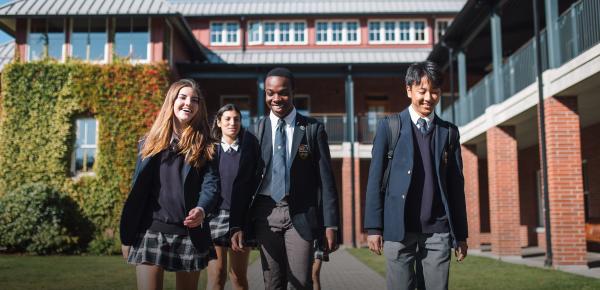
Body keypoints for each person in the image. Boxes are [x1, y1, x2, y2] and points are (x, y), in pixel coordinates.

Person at [230, 67, 340, 290]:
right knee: (273, 283)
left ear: (293, 92)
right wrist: (236, 224)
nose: (276, 98)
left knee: (300, 282)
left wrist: (331, 224)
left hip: (300, 213)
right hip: (265, 215)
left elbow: (326, 181)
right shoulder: (254, 132)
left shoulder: (312, 129)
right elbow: (242, 183)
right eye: (270, 93)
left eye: (282, 92)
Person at [364, 61, 468, 290]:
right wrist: (373, 228)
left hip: (438, 231)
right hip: (397, 229)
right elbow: (374, 180)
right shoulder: (388, 127)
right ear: (409, 89)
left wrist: (460, 234)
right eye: (422, 91)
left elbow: (455, 186)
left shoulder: (449, 132)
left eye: (435, 92)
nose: (428, 98)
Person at [120, 79, 220, 290]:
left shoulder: (207, 146)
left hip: (189, 233)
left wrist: (202, 209)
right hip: (151, 230)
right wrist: (127, 236)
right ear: (171, 101)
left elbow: (211, 185)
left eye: (194, 100)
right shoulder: (148, 143)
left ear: (199, 107)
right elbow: (137, 190)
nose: (188, 103)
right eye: (182, 97)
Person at [206, 104, 259, 290]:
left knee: (238, 276)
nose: (232, 123)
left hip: (241, 219)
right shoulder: (210, 151)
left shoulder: (249, 149)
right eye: (227, 119)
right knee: (217, 275)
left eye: (236, 119)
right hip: (214, 218)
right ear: (219, 122)